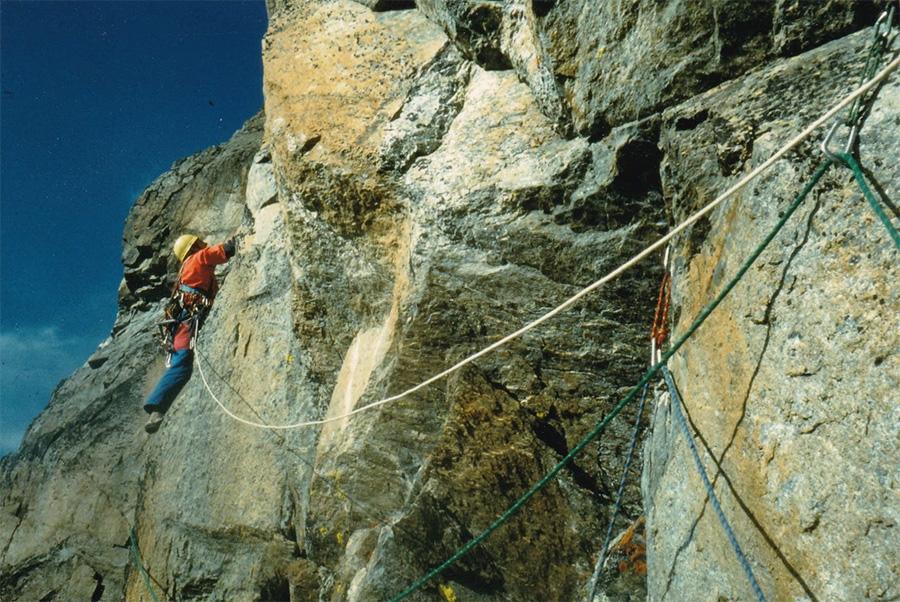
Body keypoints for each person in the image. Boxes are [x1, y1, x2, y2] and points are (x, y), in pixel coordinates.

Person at [143, 233, 236, 433]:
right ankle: (157, 407)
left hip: (181, 320)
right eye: (200, 242)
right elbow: (224, 251)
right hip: (187, 320)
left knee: (182, 358)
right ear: (193, 247)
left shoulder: (187, 268)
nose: (204, 243)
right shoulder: (198, 257)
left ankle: (158, 407)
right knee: (183, 362)